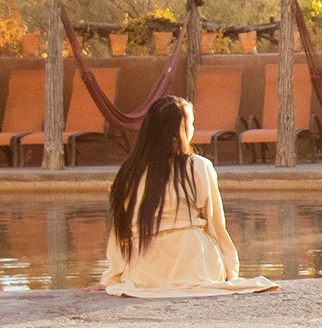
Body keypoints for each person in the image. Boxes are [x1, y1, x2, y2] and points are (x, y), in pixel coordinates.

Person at [102, 95, 276, 297]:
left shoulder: (128, 172)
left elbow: (120, 231)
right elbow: (215, 225)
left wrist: (112, 276)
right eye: (191, 123)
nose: (193, 128)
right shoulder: (198, 166)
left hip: (145, 271)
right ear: (180, 131)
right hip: (194, 265)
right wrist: (231, 270)